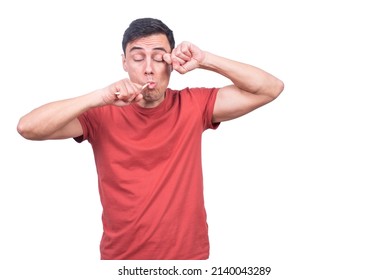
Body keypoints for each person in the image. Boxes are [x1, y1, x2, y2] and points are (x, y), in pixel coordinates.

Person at [17, 18, 284, 260]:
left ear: (171, 63)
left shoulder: (193, 105)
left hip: (187, 260)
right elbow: (28, 127)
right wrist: (100, 96)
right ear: (124, 62)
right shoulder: (100, 113)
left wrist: (205, 60)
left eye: (159, 58)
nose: (148, 69)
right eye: (137, 58)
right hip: (122, 261)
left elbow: (270, 88)